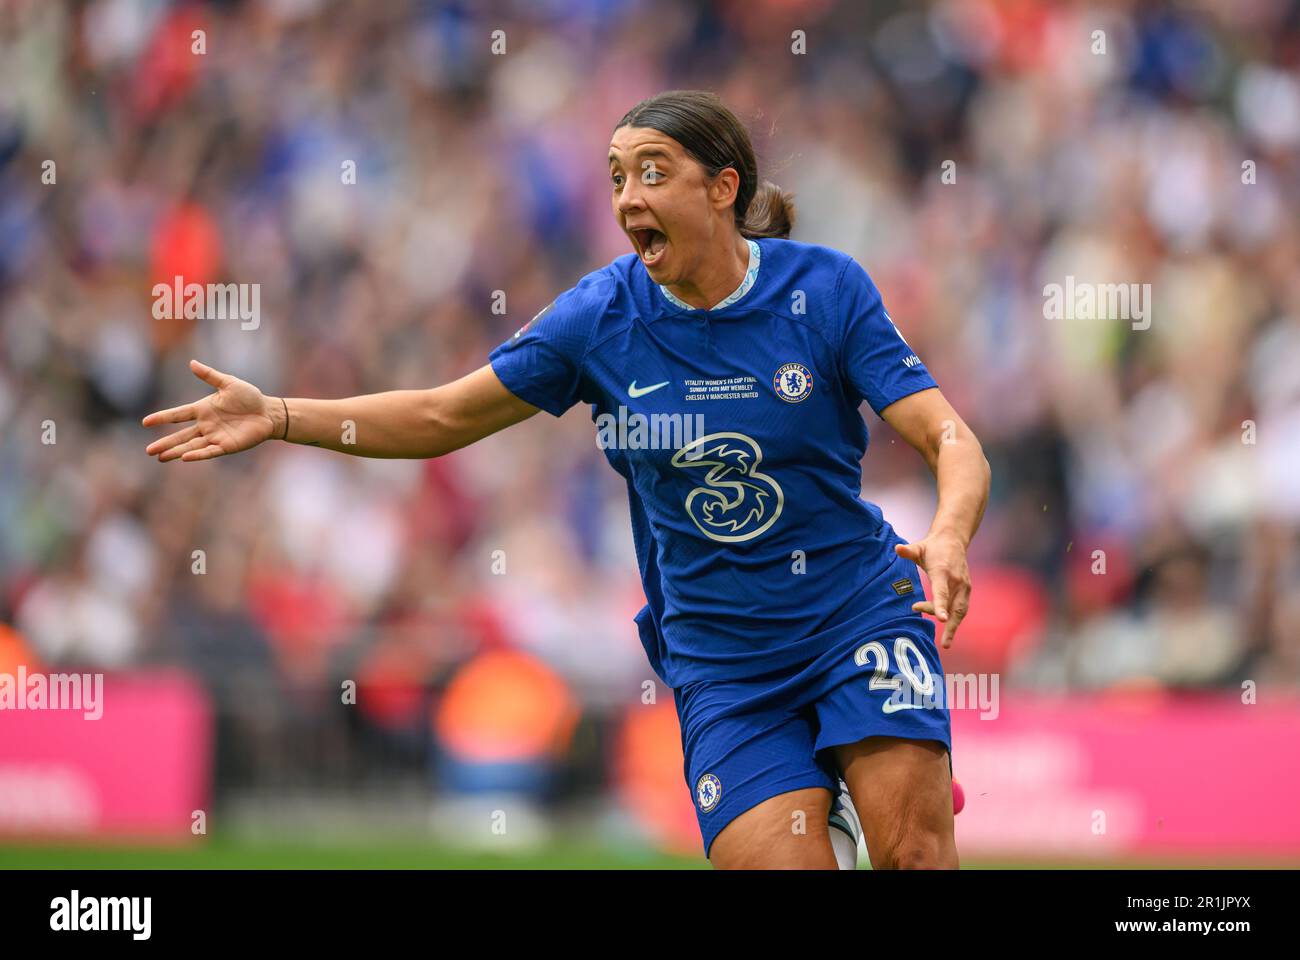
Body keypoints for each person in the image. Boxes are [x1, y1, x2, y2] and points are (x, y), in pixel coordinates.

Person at [143, 90, 991, 869]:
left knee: (915, 857)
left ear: (724, 186)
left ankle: (863, 779)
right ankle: (827, 796)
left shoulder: (826, 291)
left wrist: (949, 531)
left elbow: (950, 438)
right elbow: (444, 416)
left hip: (855, 615)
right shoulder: (601, 317)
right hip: (725, 663)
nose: (628, 198)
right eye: (618, 176)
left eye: (654, 173)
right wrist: (282, 414)